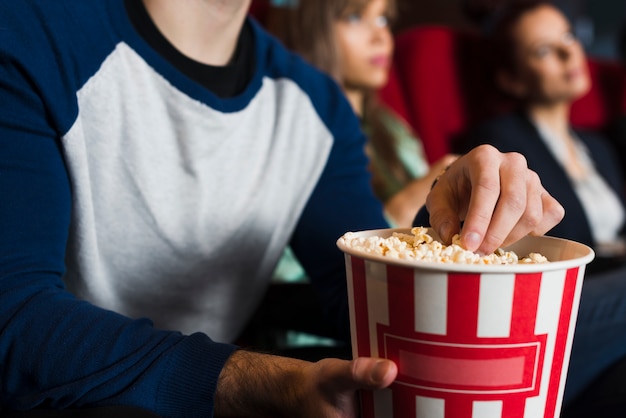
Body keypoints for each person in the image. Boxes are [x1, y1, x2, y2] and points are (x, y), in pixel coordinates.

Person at [0, 0, 564, 416]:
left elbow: (358, 300)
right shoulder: (31, 33)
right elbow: (15, 318)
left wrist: (443, 225)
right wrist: (254, 381)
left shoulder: (316, 104)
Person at [458, 0, 626, 406]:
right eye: (544, 50)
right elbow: (538, 247)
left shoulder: (598, 146)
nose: (571, 52)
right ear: (512, 80)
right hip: (552, 306)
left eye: (568, 37)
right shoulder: (497, 143)